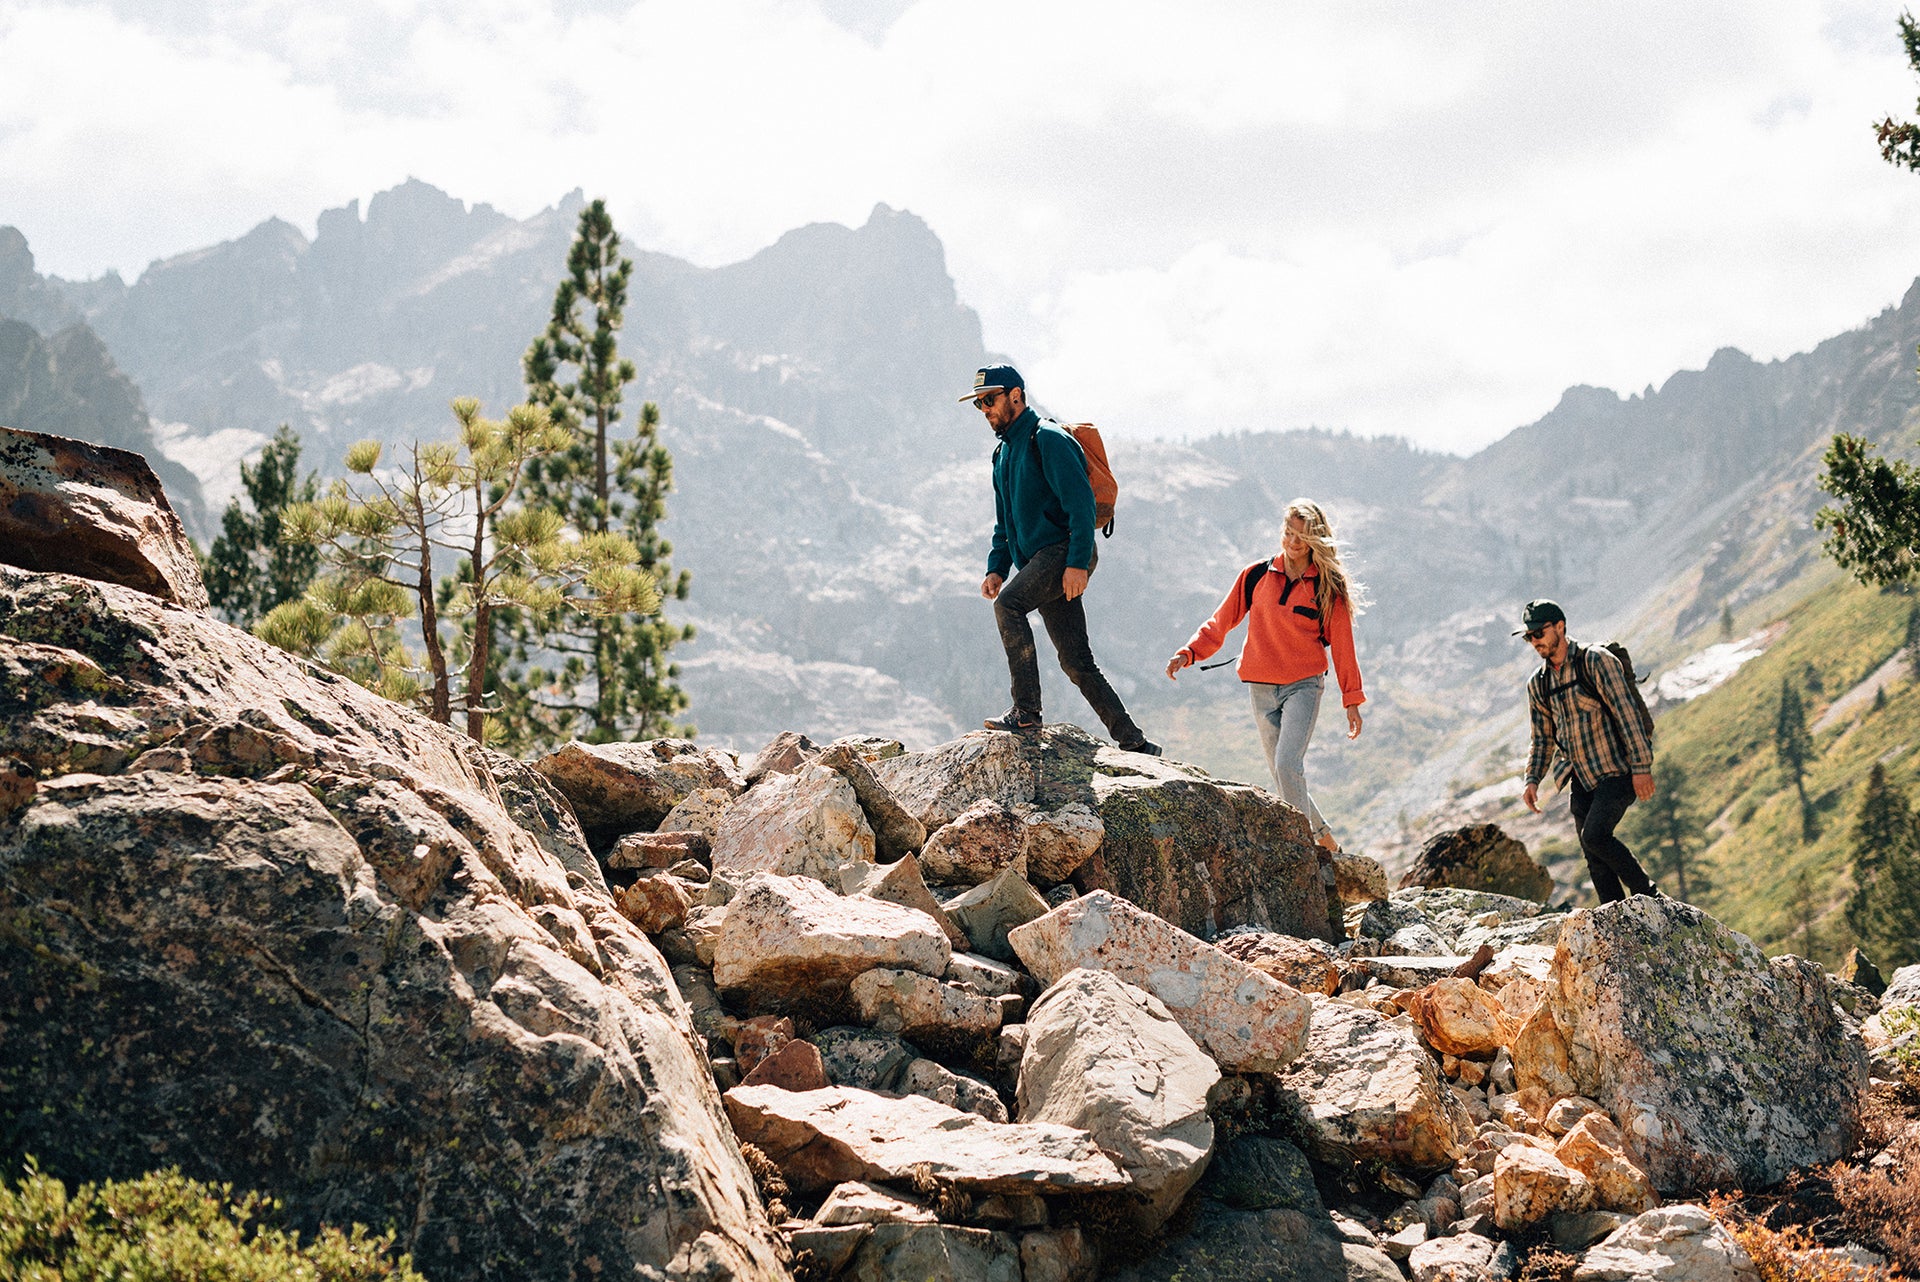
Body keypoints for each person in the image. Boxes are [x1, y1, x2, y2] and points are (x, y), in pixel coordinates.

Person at [965, 364, 1159, 755]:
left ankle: (1026, 712)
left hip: (1066, 552)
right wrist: (996, 567)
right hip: (1042, 559)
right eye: (979, 404)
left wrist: (1075, 564)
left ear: (1015, 395)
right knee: (1076, 660)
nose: (985, 409)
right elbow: (1004, 522)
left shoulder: (1048, 438)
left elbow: (1081, 505)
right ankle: (1135, 742)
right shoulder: (1002, 454)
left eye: (990, 400)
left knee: (1010, 606)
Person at [1164, 499, 1365, 853]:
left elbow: (1344, 647)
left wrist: (1352, 701)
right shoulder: (1256, 575)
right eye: (1288, 533)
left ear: (1315, 540)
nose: (1292, 542)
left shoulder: (1327, 589)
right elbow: (1222, 620)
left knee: (1288, 765)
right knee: (1282, 775)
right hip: (1260, 687)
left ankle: (1304, 852)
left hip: (1302, 686)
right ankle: (1329, 845)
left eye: (1301, 537)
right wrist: (1189, 652)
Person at [1515, 600, 1661, 903]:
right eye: (1529, 636)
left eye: (1539, 632)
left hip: (1617, 770)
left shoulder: (1596, 661)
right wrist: (1531, 780)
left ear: (1560, 626)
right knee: (1593, 855)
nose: (1535, 641)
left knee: (1595, 836)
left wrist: (1641, 767)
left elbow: (1627, 713)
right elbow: (1542, 738)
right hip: (1580, 777)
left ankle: (1651, 896)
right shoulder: (1538, 685)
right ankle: (1615, 917)